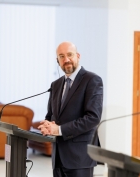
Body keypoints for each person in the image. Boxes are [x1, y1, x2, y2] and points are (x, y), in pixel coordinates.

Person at [38, 41, 103, 177]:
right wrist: (48, 125)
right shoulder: (55, 85)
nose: (66, 60)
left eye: (69, 55)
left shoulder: (92, 80)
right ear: (58, 61)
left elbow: (93, 118)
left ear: (77, 56)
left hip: (80, 157)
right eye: (61, 56)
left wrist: (59, 129)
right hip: (58, 157)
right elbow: (51, 115)